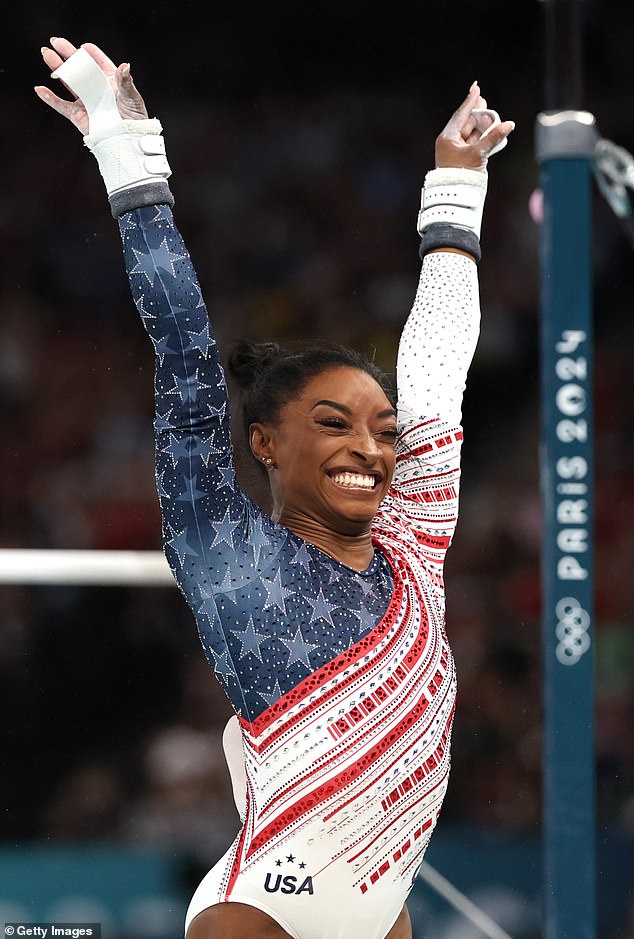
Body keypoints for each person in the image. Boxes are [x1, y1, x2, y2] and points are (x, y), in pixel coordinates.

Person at [36, 37, 514, 939]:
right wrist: (127, 154)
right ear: (263, 442)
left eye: (382, 427)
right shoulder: (224, 546)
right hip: (262, 913)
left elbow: (439, 371)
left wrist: (456, 187)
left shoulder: (415, 540)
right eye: (332, 423)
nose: (370, 448)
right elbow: (183, 354)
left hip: (381, 909)